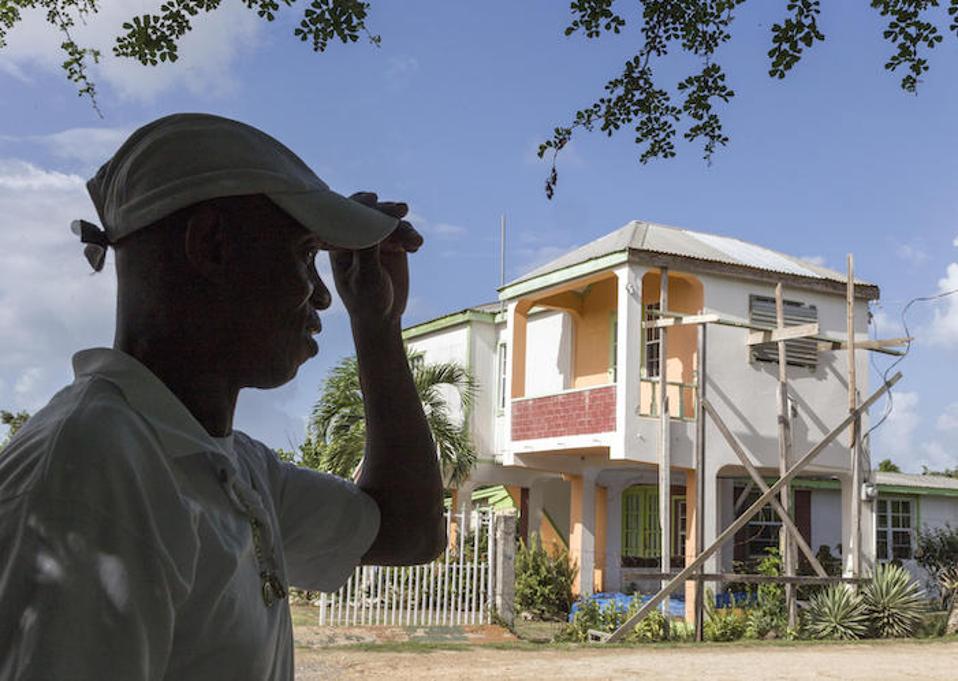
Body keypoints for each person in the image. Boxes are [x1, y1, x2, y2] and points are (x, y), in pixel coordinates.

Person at [0, 113, 445, 680]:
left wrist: (377, 322)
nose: (322, 296)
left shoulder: (226, 464)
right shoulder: (95, 468)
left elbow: (409, 530)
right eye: (305, 254)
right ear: (212, 245)